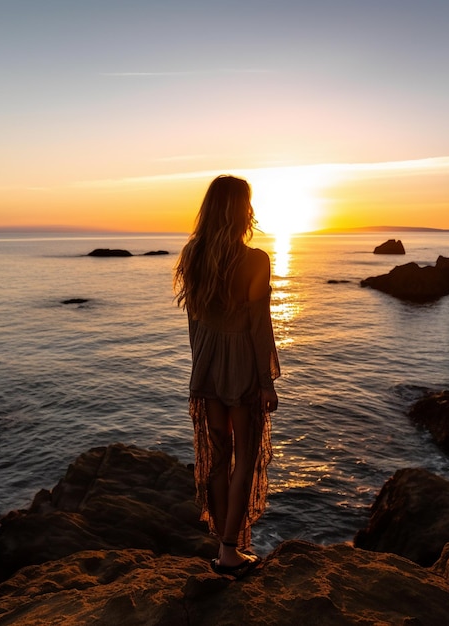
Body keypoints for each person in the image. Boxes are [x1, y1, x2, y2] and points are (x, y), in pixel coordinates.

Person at [174, 175, 280, 578]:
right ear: (243, 210)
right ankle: (230, 552)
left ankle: (222, 548)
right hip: (240, 370)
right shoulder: (255, 260)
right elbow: (258, 326)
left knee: (218, 458)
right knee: (245, 459)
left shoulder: (192, 255)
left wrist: (201, 364)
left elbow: (193, 322)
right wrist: (267, 382)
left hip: (206, 366)